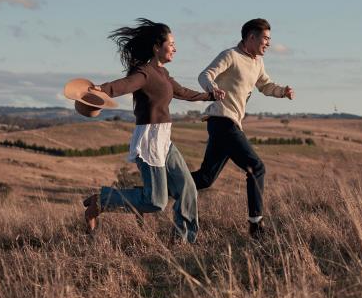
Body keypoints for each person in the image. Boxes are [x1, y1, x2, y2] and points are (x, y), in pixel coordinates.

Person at [82, 19, 216, 243]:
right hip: (150, 141)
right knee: (155, 202)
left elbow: (182, 92)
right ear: (157, 47)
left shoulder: (163, 74)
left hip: (165, 140)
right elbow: (125, 84)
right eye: (171, 43)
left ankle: (183, 242)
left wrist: (210, 96)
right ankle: (102, 200)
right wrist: (102, 90)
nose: (175, 48)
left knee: (188, 189)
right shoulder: (145, 72)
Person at [191, 18, 294, 238]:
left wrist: (282, 91)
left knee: (204, 179)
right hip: (222, 121)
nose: (268, 44)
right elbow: (205, 75)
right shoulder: (230, 55)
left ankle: (158, 189)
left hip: (230, 124)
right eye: (265, 39)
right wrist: (213, 88)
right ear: (251, 37)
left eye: (269, 39)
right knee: (256, 167)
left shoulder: (257, 62)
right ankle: (256, 226)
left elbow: (265, 85)